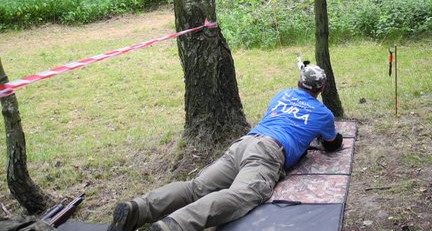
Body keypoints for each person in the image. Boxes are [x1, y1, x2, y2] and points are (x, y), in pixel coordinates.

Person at [107, 61, 343, 231]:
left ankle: (137, 209)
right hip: (269, 153)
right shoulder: (323, 114)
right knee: (241, 195)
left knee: (196, 187)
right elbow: (332, 144)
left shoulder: (282, 94)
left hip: (243, 144)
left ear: (298, 82)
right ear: (321, 89)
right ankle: (174, 226)